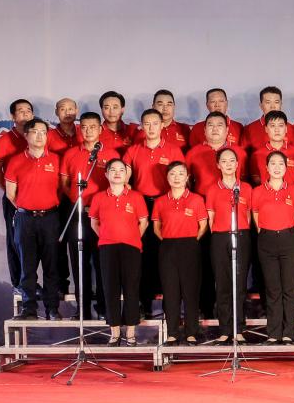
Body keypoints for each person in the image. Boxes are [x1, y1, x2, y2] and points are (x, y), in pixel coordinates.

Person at [184, 111, 245, 323]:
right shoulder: (194, 153)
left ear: (228, 130)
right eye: (211, 125)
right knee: (205, 263)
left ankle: (233, 314)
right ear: (204, 129)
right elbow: (187, 183)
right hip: (203, 212)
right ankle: (207, 308)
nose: (215, 128)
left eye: (220, 125)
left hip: (232, 215)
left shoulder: (239, 152)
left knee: (234, 266)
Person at [122, 108, 183, 317]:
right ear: (141, 126)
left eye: (155, 123)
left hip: (166, 205)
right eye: (146, 124)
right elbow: (125, 175)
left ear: (162, 125)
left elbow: (181, 177)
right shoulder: (133, 150)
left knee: (167, 256)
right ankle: (144, 304)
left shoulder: (173, 150)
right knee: (142, 255)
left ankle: (170, 307)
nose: (151, 128)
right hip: (141, 206)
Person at [59, 112, 118, 320]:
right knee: (79, 262)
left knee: (103, 262)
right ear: (79, 129)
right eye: (84, 127)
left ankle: (103, 308)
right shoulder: (70, 154)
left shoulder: (110, 153)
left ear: (100, 129)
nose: (88, 130)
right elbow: (65, 184)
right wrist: (77, 200)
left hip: (103, 215)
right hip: (77, 212)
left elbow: (117, 182)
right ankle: (82, 309)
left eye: (93, 126)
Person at [5, 118, 63, 321]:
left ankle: (52, 309)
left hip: (50, 218)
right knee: (27, 267)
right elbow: (11, 194)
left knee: (51, 266)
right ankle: (29, 309)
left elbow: (61, 189)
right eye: (35, 132)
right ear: (26, 135)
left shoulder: (56, 160)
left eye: (44, 132)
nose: (40, 136)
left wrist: (47, 205)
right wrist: (28, 207)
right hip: (25, 219)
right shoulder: (15, 161)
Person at [89, 158, 149, 346]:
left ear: (126, 175)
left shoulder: (136, 197)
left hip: (131, 247)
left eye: (121, 170)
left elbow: (144, 222)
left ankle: (130, 332)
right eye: (113, 170)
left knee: (131, 288)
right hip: (107, 247)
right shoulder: (99, 197)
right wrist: (106, 237)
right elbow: (94, 223)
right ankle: (114, 333)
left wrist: (132, 237)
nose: (117, 173)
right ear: (106, 174)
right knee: (110, 289)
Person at [152, 162, 208, 345]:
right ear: (167, 178)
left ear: (187, 177)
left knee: (190, 290)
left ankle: (191, 332)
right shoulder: (160, 201)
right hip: (168, 247)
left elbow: (203, 226)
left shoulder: (196, 199)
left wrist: (190, 241)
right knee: (170, 291)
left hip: (190, 246)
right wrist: (170, 240)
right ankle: (173, 333)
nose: (177, 177)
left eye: (181, 173)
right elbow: (156, 228)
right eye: (173, 174)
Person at [252, 151, 294, 344]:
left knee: (289, 288)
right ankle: (273, 333)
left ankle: (289, 332)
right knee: (272, 288)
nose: (277, 167)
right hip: (267, 240)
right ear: (266, 167)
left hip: (289, 239)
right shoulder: (258, 191)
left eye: (281, 163)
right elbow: (256, 218)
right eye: (273, 163)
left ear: (286, 167)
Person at [206, 147, 253, 343]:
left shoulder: (246, 188)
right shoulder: (212, 189)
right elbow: (211, 219)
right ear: (218, 165)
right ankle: (225, 329)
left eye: (232, 160)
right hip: (220, 238)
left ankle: (238, 328)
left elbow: (248, 216)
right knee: (223, 284)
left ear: (237, 164)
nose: (228, 164)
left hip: (241, 236)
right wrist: (221, 235)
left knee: (239, 284)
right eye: (224, 161)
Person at [0, 98, 34, 295]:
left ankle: (34, 283)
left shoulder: (38, 136)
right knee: (15, 240)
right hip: (14, 198)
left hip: (38, 199)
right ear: (13, 116)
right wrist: (10, 194)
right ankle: (18, 283)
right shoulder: (6, 140)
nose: (25, 114)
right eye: (20, 111)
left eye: (28, 111)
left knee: (38, 242)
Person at [47, 97, 79, 295]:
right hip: (57, 196)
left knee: (79, 240)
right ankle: (61, 284)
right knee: (59, 240)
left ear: (76, 110)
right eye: (63, 109)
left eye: (71, 109)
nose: (67, 112)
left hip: (80, 196)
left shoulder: (83, 132)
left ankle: (85, 285)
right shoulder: (49, 136)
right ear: (56, 112)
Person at [248, 110, 294, 187]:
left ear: (286, 129)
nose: (277, 130)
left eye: (280, 125)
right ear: (266, 129)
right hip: (267, 194)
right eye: (272, 126)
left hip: (292, 193)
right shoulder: (257, 155)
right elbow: (255, 180)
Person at [243, 86, 294, 152]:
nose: (272, 106)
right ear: (261, 105)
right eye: (268, 102)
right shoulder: (249, 129)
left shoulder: (292, 129)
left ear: (281, 104)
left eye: (276, 102)